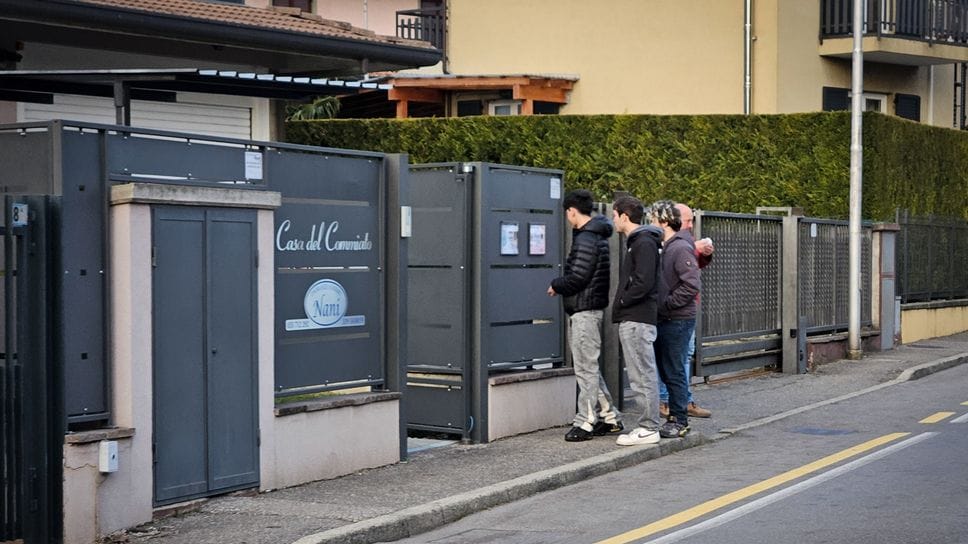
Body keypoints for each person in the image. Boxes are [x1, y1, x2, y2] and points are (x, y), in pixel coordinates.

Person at [549, 189, 623, 442]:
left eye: (567, 213)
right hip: (590, 308)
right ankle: (610, 416)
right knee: (588, 367)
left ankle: (586, 421)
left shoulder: (586, 239)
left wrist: (557, 284)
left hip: (584, 310)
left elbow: (579, 277)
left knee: (585, 369)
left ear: (571, 211)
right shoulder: (595, 235)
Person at [610, 196, 664, 446]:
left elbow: (643, 282)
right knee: (641, 373)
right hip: (637, 316)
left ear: (623, 216)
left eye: (614, 215)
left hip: (637, 317)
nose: (613, 220)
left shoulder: (642, 242)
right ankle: (648, 425)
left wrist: (623, 301)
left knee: (642, 373)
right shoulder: (641, 241)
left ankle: (649, 427)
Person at [649, 200, 701, 438]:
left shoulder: (679, 248)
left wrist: (668, 304)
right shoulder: (668, 246)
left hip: (677, 318)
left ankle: (679, 419)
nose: (650, 225)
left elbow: (691, 284)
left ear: (664, 222)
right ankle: (676, 416)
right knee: (669, 368)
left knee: (674, 369)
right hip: (670, 317)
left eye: (652, 220)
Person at [658, 203, 714, 419]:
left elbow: (691, 270)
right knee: (672, 359)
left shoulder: (683, 243)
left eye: (691, 220)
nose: (691, 225)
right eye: (688, 220)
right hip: (675, 311)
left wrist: (705, 254)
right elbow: (686, 279)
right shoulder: (675, 243)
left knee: (682, 357)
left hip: (682, 309)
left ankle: (683, 401)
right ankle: (668, 402)